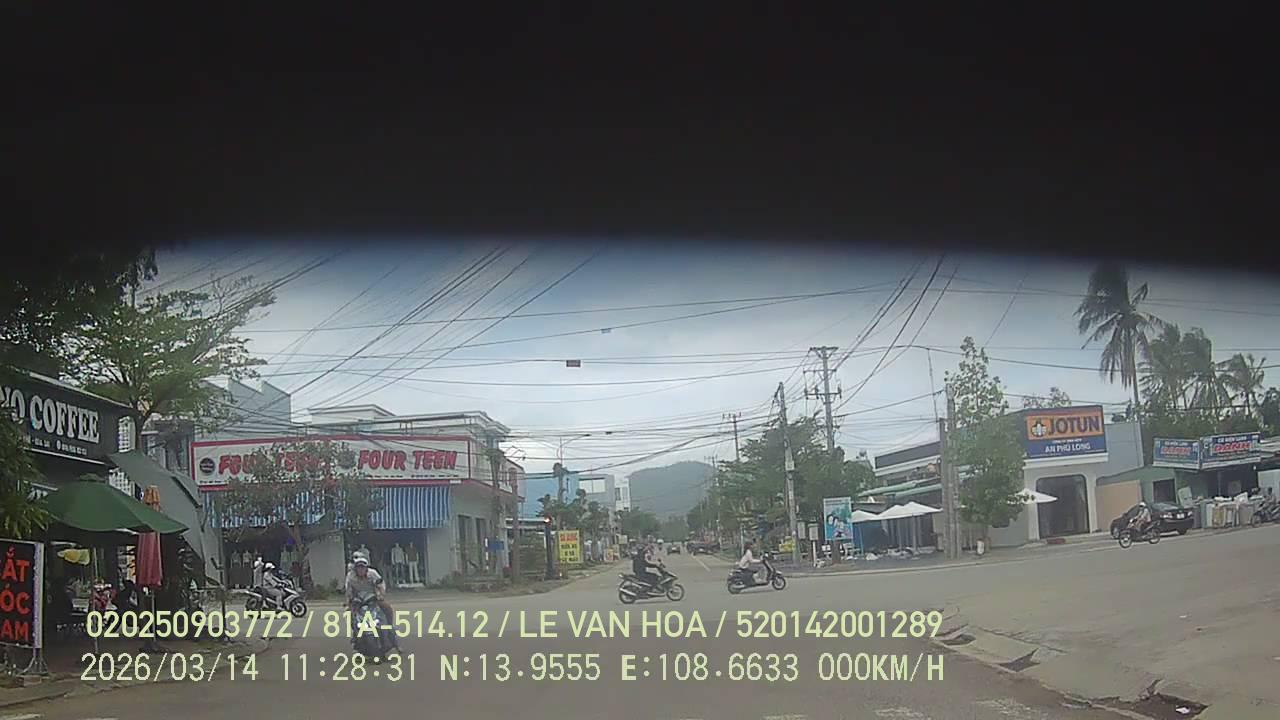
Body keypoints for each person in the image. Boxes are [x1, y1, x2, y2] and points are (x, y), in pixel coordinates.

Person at [345, 556, 399, 651]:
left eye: (362, 567)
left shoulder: (373, 574)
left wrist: (381, 595)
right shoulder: (350, 576)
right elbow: (348, 590)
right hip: (358, 601)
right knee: (349, 615)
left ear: (366, 568)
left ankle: (390, 631)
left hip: (373, 599)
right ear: (355, 569)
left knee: (387, 607)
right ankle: (356, 635)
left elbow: (381, 585)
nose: (361, 570)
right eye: (358, 567)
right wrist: (349, 601)